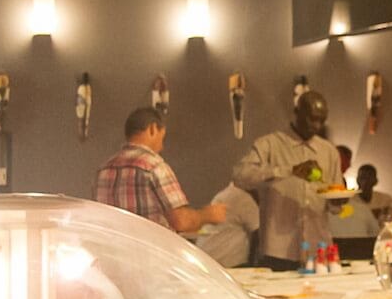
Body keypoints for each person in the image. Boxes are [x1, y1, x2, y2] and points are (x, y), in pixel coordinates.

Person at [232, 91, 343, 270]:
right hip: (279, 250)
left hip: (317, 248)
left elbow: (334, 203)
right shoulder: (270, 144)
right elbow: (240, 176)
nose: (316, 125)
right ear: (297, 112)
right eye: (312, 119)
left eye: (321, 120)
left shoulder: (329, 151)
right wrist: (288, 170)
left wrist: (338, 202)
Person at [94, 107, 225, 232]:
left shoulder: (104, 170)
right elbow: (180, 221)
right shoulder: (154, 166)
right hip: (150, 246)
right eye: (162, 138)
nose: (162, 147)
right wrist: (207, 215)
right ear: (152, 129)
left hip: (113, 247)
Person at [196, 182, 259, 268]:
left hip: (206, 258)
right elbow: (257, 233)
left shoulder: (224, 195)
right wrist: (253, 265)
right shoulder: (244, 199)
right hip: (229, 261)